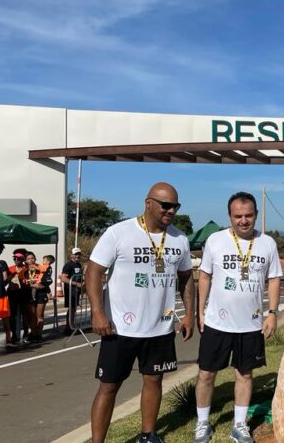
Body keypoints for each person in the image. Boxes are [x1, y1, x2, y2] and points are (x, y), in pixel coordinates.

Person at [85, 182, 195, 443]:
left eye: (175, 206)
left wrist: (190, 314)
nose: (170, 211)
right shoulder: (119, 232)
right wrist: (98, 313)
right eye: (165, 205)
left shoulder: (179, 238)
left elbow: (187, 277)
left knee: (154, 380)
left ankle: (148, 435)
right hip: (120, 327)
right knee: (109, 386)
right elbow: (93, 271)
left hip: (160, 327)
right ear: (148, 203)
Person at [194, 192, 282, 443]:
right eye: (238, 216)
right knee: (206, 374)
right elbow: (205, 276)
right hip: (217, 322)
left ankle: (239, 424)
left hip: (251, 323)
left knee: (245, 374)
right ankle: (202, 423)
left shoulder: (267, 243)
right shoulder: (215, 240)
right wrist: (200, 311)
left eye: (249, 215)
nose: (244, 220)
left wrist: (273, 313)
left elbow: (274, 278)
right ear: (230, 216)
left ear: (255, 214)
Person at [7, 248, 31, 345]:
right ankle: (15, 336)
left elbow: (32, 280)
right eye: (15, 258)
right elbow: (5, 281)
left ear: (23, 259)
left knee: (24, 315)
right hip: (13, 294)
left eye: (19, 258)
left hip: (24, 293)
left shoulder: (27, 269)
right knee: (13, 316)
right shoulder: (10, 268)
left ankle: (26, 334)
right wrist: (9, 278)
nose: (17, 260)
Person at [28, 254, 54, 341]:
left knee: (39, 315)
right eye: (28, 258)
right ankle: (33, 333)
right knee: (32, 315)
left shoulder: (41, 267)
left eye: (32, 258)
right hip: (30, 293)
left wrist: (44, 288)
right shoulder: (25, 269)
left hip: (40, 293)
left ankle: (38, 335)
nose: (31, 260)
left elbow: (48, 281)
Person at [61, 247, 84, 333]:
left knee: (74, 308)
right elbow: (64, 278)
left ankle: (71, 325)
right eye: (75, 254)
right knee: (71, 308)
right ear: (71, 255)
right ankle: (69, 327)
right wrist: (76, 284)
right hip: (70, 290)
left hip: (76, 291)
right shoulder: (68, 265)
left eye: (78, 254)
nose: (77, 256)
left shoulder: (79, 265)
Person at [0, 243, 11, 348]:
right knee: (5, 319)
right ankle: (8, 338)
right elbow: (5, 279)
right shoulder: (2, 263)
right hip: (1, 294)